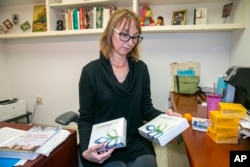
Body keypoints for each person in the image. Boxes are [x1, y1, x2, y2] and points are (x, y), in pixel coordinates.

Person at [78, 8, 181, 167]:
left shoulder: (141, 69)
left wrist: (167, 119)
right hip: (106, 144)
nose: (130, 42)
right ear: (110, 32)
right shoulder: (90, 72)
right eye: (124, 34)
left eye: (135, 37)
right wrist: (85, 150)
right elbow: (85, 118)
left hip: (136, 141)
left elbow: (146, 108)